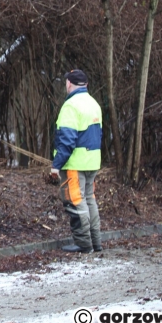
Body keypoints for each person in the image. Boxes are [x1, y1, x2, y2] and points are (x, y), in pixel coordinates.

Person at [50, 69, 103, 254]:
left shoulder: (71, 106)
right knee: (90, 200)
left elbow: (67, 139)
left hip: (75, 164)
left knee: (75, 201)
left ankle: (83, 244)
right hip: (93, 161)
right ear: (86, 84)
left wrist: (56, 165)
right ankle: (96, 242)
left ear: (69, 84)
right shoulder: (94, 104)